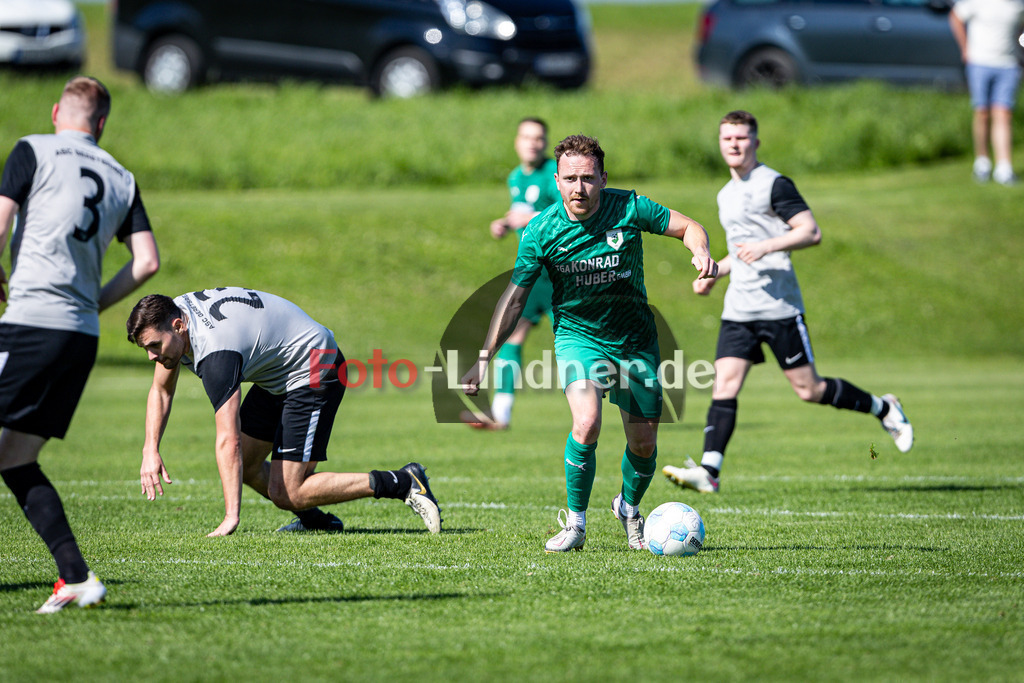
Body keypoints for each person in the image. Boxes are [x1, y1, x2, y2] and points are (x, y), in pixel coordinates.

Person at [461, 135, 718, 552]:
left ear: (602, 178)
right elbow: (515, 298)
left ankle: (629, 509)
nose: (578, 188)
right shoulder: (541, 230)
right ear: (557, 181)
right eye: (569, 179)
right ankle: (575, 525)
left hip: (636, 341)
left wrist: (700, 252)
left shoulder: (629, 207)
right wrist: (484, 357)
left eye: (587, 178)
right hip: (580, 338)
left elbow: (689, 226)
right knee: (586, 422)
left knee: (644, 443)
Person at [662, 110, 914, 496]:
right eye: (727, 138)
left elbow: (810, 232)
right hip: (739, 309)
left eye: (742, 138)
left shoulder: (774, 185)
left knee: (809, 391)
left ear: (756, 142)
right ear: (720, 143)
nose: (734, 144)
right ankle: (710, 470)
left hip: (779, 307)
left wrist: (767, 245)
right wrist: (716, 272)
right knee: (724, 384)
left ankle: (885, 408)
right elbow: (739, 251)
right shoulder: (725, 195)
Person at [0, 77, 161, 613]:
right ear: (102, 124)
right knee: (16, 456)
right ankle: (75, 577)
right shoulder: (122, 175)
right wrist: (93, 302)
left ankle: (74, 576)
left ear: (55, 112)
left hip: (30, 321)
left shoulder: (33, 149)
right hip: (79, 336)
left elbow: (0, 222)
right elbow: (146, 263)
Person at [125, 287, 442, 539]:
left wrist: (231, 517)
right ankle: (317, 522)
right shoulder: (173, 314)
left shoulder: (216, 352)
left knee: (288, 491)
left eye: (155, 346)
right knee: (249, 466)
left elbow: (228, 439)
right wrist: (149, 449)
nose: (152, 356)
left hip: (315, 365)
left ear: (178, 325)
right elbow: (162, 390)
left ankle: (402, 481)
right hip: (279, 372)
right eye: (146, 349)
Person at [461, 117, 560, 431]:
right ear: (517, 141)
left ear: (545, 143)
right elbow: (521, 215)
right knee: (512, 336)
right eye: (527, 137)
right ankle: (500, 414)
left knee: (581, 341)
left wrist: (525, 218)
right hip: (532, 271)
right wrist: (504, 223)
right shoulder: (516, 177)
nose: (533, 143)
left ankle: (631, 392)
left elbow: (567, 214)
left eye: (539, 138)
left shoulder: (553, 175)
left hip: (560, 272)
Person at [949, 0, 1024, 185]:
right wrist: (965, 48)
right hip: (979, 62)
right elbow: (955, 17)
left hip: (1008, 64)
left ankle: (1004, 168)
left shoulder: (1019, 5)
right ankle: (982, 162)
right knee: (982, 112)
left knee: (1003, 113)